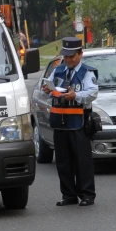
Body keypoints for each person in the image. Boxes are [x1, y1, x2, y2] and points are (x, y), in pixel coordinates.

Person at [42, 37, 98, 206]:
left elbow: (93, 93)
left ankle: (87, 195)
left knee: (83, 161)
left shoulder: (87, 73)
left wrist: (77, 96)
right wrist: (47, 89)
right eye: (66, 57)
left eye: (72, 56)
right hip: (60, 122)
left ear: (80, 54)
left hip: (79, 122)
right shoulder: (58, 70)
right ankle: (68, 195)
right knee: (63, 161)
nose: (68, 60)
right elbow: (47, 90)